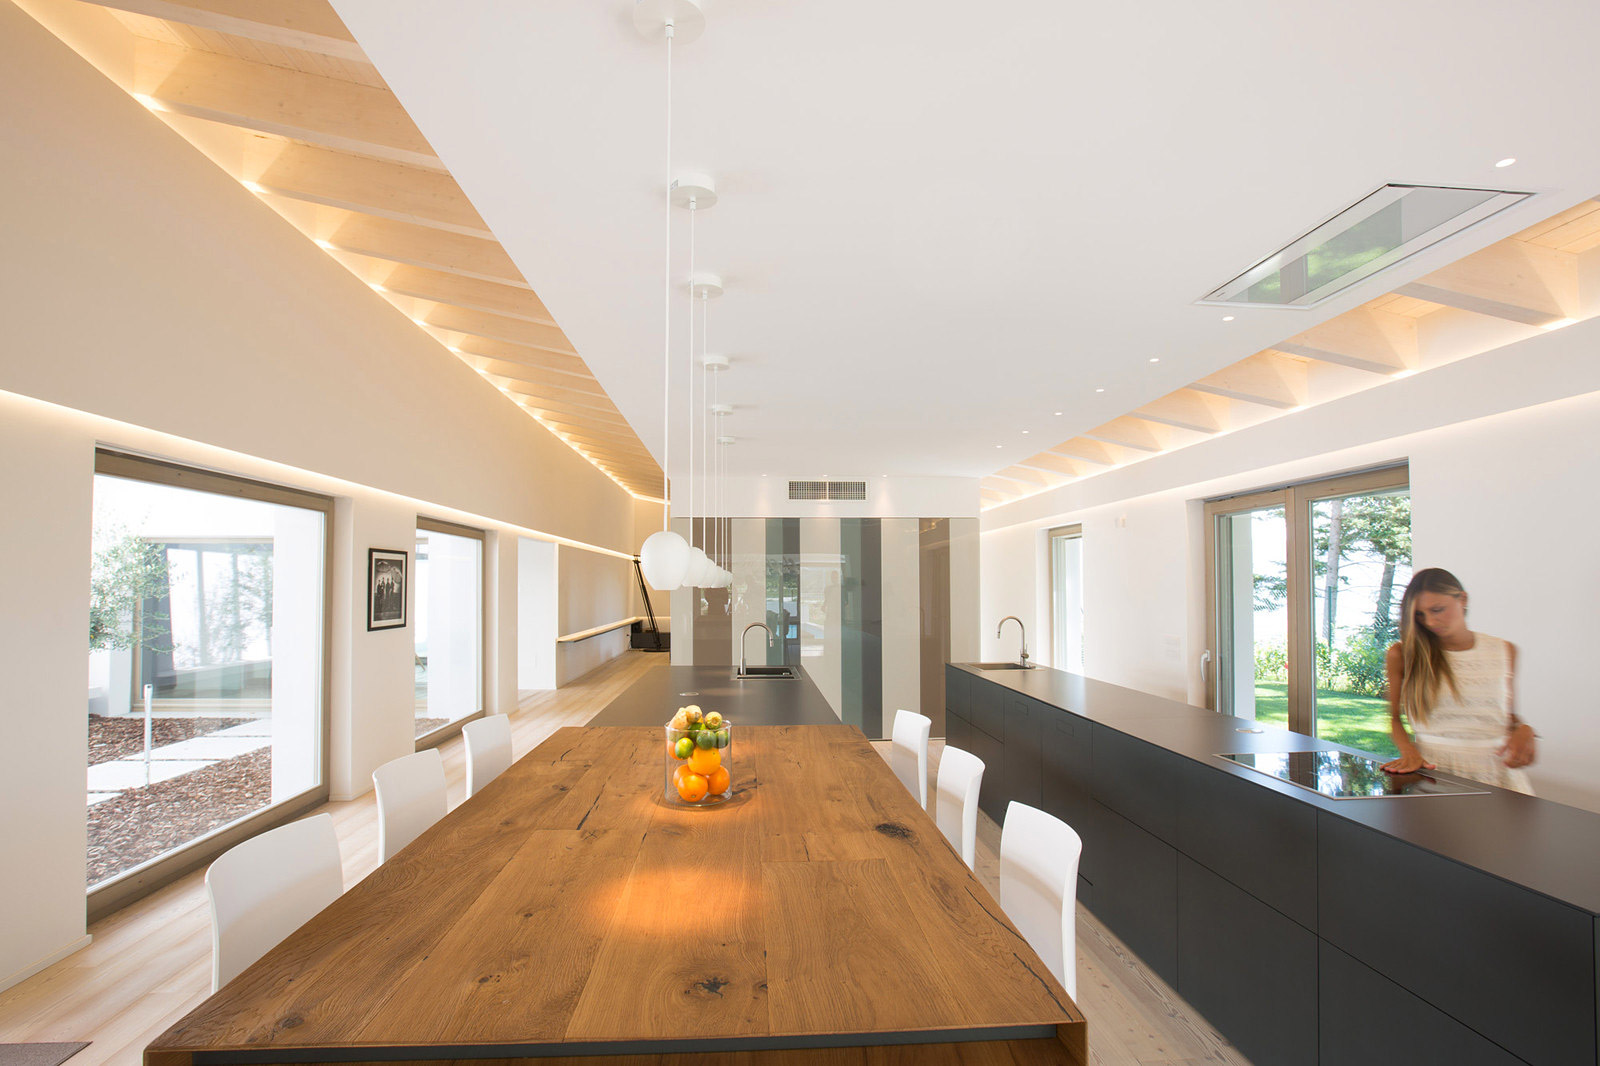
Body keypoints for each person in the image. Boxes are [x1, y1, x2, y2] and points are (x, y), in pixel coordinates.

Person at [1381, 567, 1536, 793]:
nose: (1430, 621)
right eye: (1420, 615)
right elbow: (1394, 718)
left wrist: (1524, 729)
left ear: (1462, 599)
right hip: (1433, 774)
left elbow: (1504, 715)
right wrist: (1409, 752)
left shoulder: (1504, 651)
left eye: (1437, 610)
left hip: (1498, 775)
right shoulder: (1404, 655)